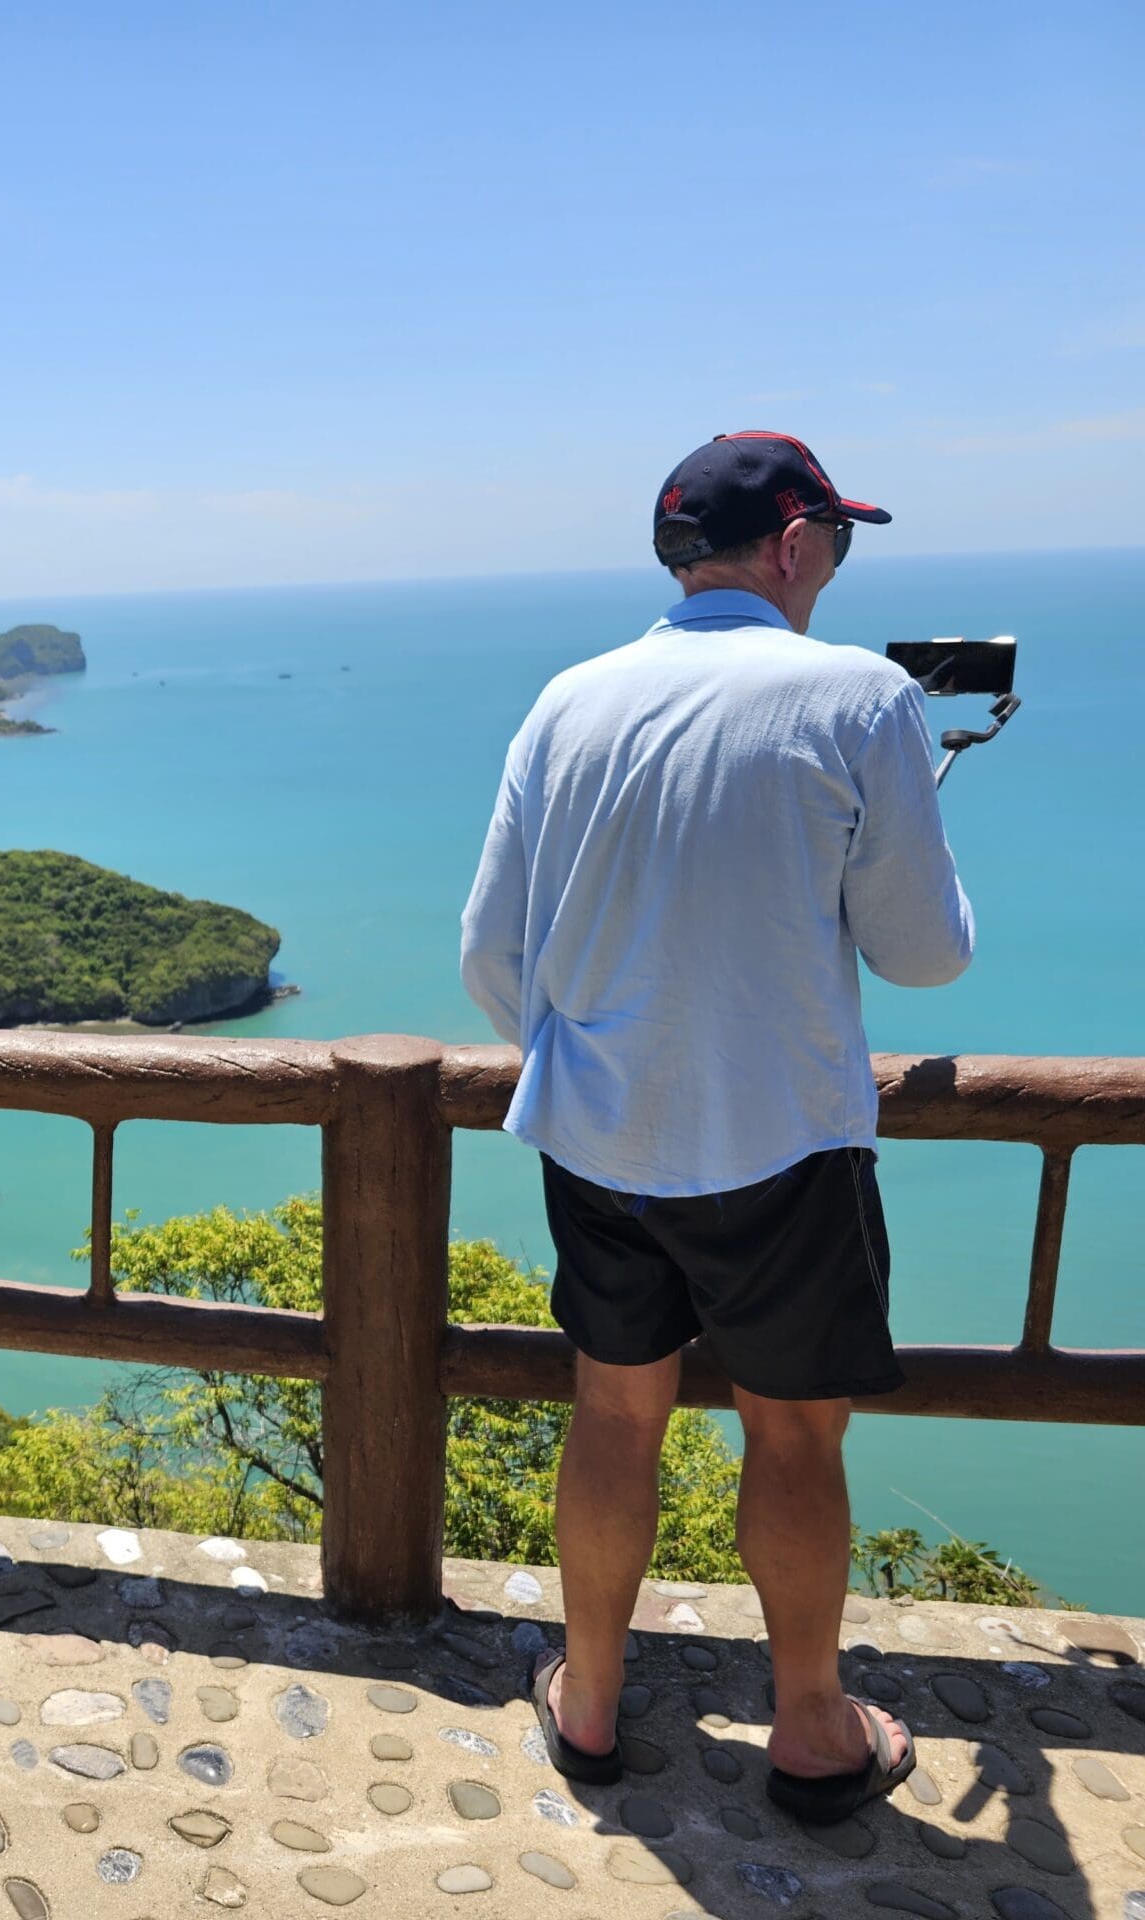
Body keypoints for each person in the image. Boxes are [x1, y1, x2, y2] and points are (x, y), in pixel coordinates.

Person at [460, 433, 974, 1824]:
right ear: (795, 544)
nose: (833, 567)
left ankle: (588, 1698)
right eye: (837, 542)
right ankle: (810, 1727)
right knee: (793, 1439)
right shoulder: (860, 696)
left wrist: (599, 1065)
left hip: (597, 1137)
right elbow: (924, 956)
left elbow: (491, 955)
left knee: (613, 1415)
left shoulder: (567, 700)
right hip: (783, 1141)